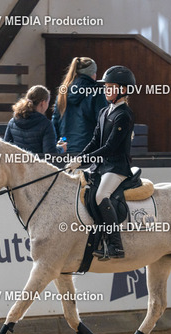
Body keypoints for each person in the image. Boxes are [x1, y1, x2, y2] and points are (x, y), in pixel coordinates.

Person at [67, 66, 136, 261]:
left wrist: (83, 160)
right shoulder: (104, 111)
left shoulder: (124, 115)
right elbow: (95, 141)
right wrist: (78, 158)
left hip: (117, 167)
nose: (106, 90)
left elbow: (110, 147)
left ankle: (116, 245)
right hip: (101, 166)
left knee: (101, 195)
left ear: (123, 90)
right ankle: (97, 238)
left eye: (111, 87)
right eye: (106, 86)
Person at [52, 57, 108, 153]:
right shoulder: (97, 93)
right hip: (89, 150)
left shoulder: (63, 93)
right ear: (93, 74)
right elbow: (103, 123)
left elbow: (55, 123)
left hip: (65, 149)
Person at [4, 85, 65, 154]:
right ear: (43, 103)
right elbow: (50, 153)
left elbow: (6, 147)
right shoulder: (46, 124)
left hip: (18, 160)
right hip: (37, 161)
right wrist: (61, 149)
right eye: (48, 102)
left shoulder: (12, 122)